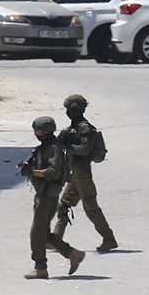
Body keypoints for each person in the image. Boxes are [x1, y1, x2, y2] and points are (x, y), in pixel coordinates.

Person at [21, 116, 85, 279]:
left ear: (45, 131)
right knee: (43, 233)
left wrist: (33, 172)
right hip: (44, 193)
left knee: (37, 234)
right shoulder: (45, 146)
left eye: (37, 130)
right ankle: (72, 254)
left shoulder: (53, 148)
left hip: (47, 195)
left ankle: (40, 268)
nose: (35, 133)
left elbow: (53, 172)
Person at [53, 94, 118, 253]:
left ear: (74, 110)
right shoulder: (74, 127)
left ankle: (108, 239)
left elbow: (84, 150)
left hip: (82, 173)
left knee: (91, 207)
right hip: (74, 173)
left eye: (69, 109)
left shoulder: (85, 128)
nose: (67, 112)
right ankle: (56, 239)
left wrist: (67, 145)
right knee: (64, 205)